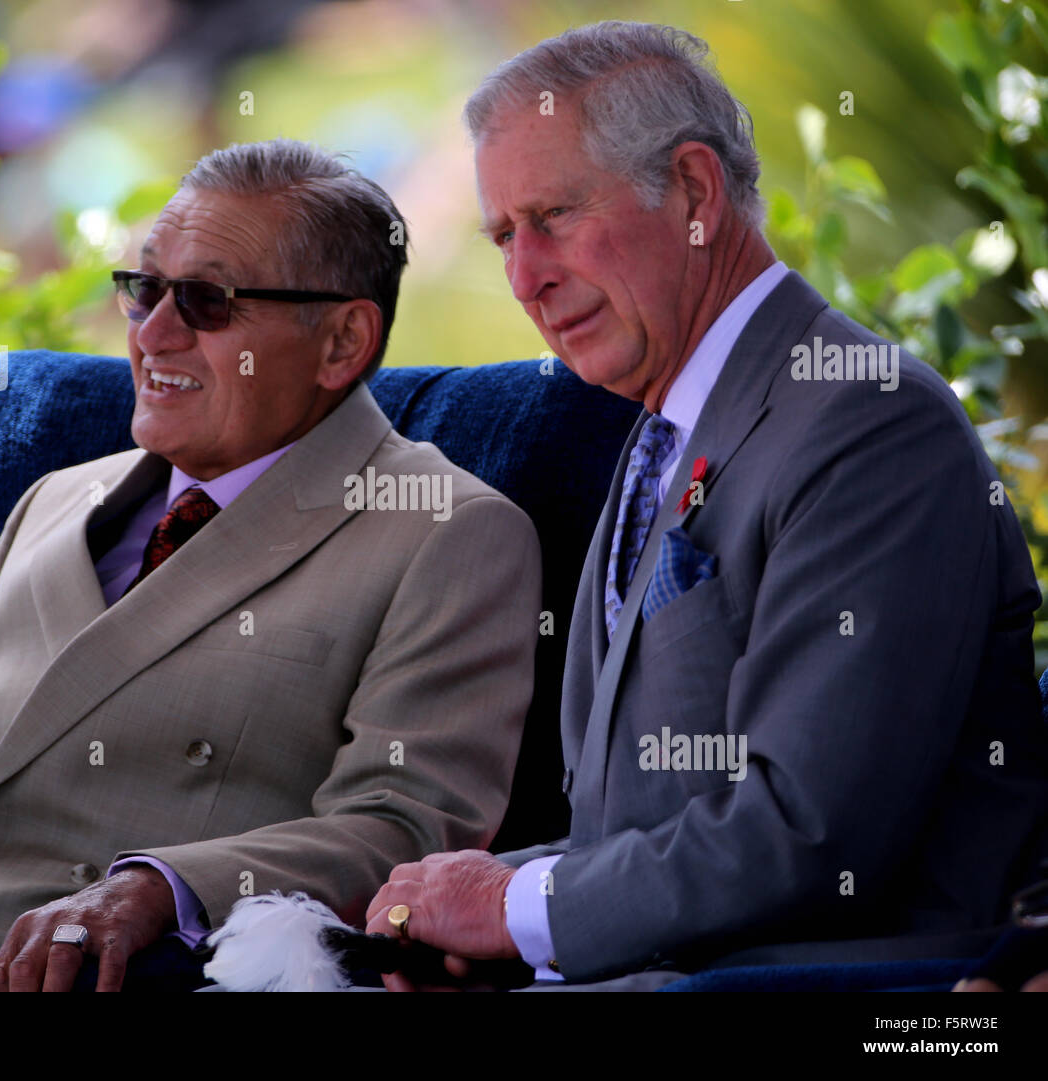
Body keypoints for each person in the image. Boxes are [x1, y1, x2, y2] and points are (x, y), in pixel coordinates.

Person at [0, 138, 542, 991]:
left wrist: (159, 889)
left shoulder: (444, 532)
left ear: (343, 340)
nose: (154, 336)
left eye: (206, 300)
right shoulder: (53, 501)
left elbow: (399, 830)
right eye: (144, 290)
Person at [365, 20, 1048, 991]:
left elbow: (811, 833)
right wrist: (477, 907)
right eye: (504, 237)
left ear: (692, 192)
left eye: (553, 216)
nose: (525, 278)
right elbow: (640, 831)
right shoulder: (662, 426)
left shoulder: (867, 422)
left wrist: (518, 911)